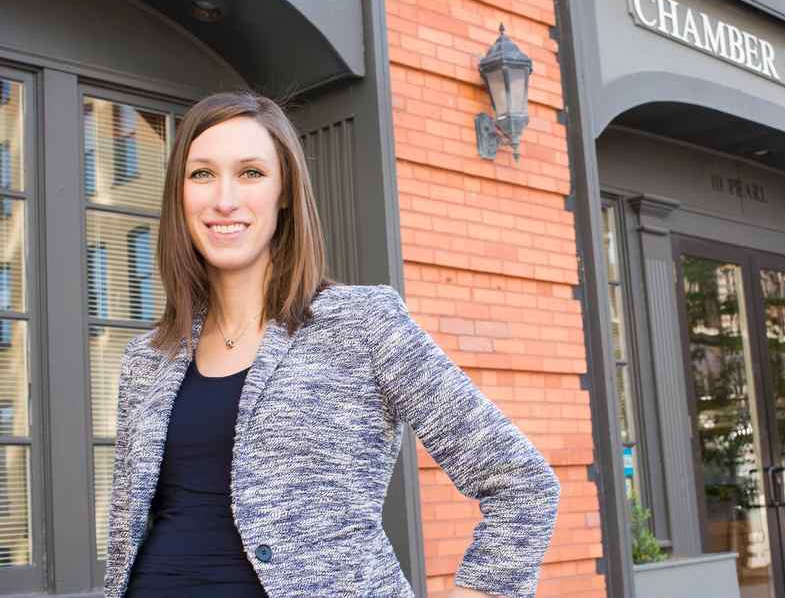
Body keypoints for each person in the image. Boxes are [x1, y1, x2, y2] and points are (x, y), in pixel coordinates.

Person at [102, 91, 561, 598]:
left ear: (283, 192)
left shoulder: (362, 323)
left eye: (251, 173)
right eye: (202, 174)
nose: (224, 199)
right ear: (180, 195)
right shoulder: (147, 359)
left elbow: (522, 484)